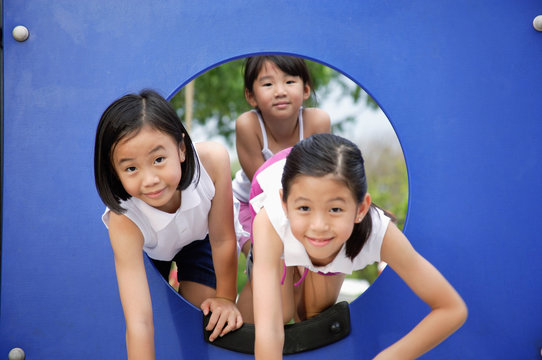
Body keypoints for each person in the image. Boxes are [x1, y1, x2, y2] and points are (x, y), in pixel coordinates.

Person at [248, 134, 467, 360]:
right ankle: (294, 263)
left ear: (361, 209)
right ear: (285, 204)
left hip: (329, 228)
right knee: (282, 311)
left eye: (335, 210)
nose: (319, 226)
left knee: (313, 316)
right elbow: (269, 331)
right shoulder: (270, 220)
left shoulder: (379, 233)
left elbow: (451, 308)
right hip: (273, 188)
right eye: (305, 208)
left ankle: (309, 256)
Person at [94, 89, 242, 359]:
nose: (149, 179)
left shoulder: (211, 162)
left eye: (158, 160)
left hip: (201, 239)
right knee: (154, 317)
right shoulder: (123, 217)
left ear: (182, 149)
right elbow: (139, 321)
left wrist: (226, 298)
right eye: (131, 168)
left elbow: (222, 239)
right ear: (114, 171)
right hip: (152, 252)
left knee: (202, 319)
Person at [233, 55, 331, 258]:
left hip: (300, 206)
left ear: (305, 90)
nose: (280, 91)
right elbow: (262, 187)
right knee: (266, 262)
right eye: (268, 84)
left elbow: (324, 178)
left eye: (289, 82)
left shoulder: (316, 122)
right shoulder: (248, 126)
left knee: (307, 265)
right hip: (252, 205)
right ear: (251, 96)